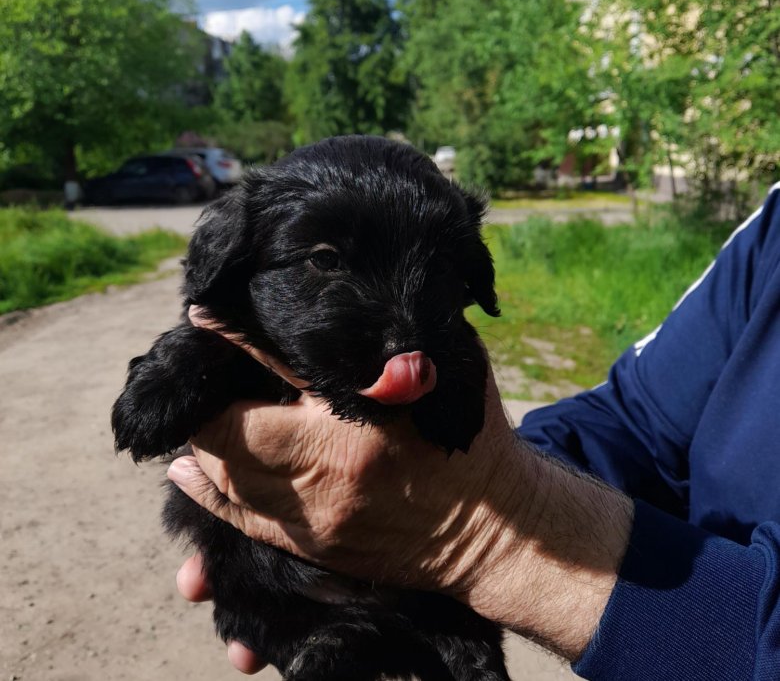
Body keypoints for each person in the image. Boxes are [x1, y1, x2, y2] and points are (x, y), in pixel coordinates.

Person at [167, 186, 780, 679]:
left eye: (434, 269)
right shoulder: (772, 232)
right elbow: (636, 421)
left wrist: (482, 534)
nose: (397, 323)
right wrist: (490, 472)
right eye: (325, 262)